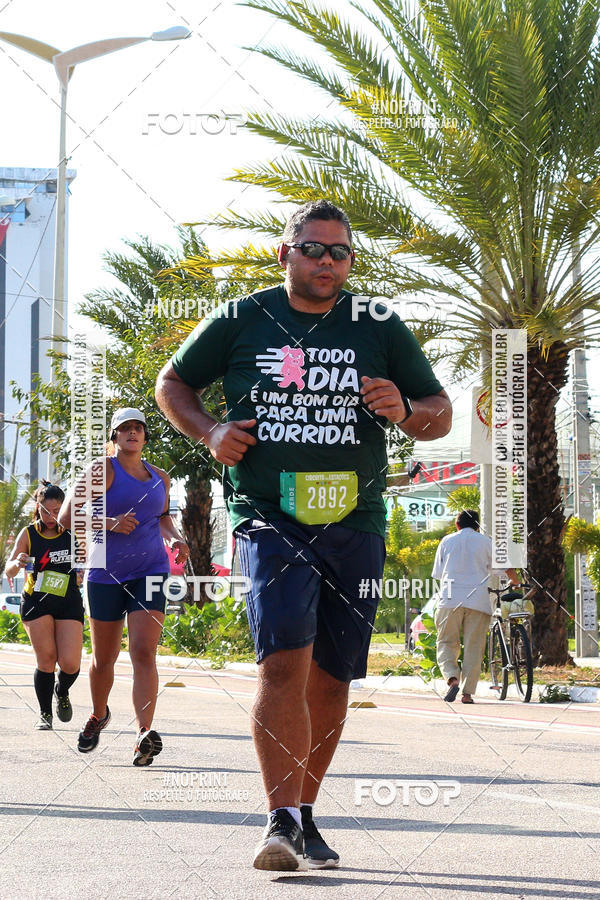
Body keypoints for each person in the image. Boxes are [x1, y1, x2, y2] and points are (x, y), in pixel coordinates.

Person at [155, 199, 451, 870]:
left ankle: (306, 815)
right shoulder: (241, 318)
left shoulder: (378, 324)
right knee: (283, 659)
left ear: (351, 260)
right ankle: (280, 820)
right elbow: (172, 381)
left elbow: (437, 411)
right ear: (284, 253)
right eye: (313, 249)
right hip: (268, 513)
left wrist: (405, 409)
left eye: (339, 252)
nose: (326, 261)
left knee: (334, 677)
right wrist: (209, 432)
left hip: (357, 519)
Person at [58, 407, 189, 765]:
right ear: (115, 436)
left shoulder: (159, 477)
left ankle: (144, 733)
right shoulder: (100, 470)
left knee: (144, 652)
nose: (132, 433)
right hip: (106, 575)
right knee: (104, 658)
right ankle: (99, 714)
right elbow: (67, 517)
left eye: (138, 428)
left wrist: (176, 538)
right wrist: (109, 522)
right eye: (125, 428)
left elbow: (162, 519)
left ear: (145, 436)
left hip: (150, 571)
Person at [6, 481, 84, 730]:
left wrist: (83, 571)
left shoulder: (73, 533)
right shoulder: (28, 533)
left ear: (64, 509)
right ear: (38, 509)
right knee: (47, 658)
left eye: (56, 511)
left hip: (68, 600)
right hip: (36, 602)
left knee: (71, 663)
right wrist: (17, 563)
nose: (51, 517)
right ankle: (45, 714)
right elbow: (8, 569)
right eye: (45, 511)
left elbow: (91, 560)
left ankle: (61, 690)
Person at [432, 509, 520, 704]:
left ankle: (452, 679)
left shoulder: (446, 541)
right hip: (478, 602)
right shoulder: (486, 542)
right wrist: (516, 582)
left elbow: (438, 573)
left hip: (449, 600)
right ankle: (467, 693)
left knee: (446, 642)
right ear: (478, 526)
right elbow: (506, 569)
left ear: (457, 525)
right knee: (474, 647)